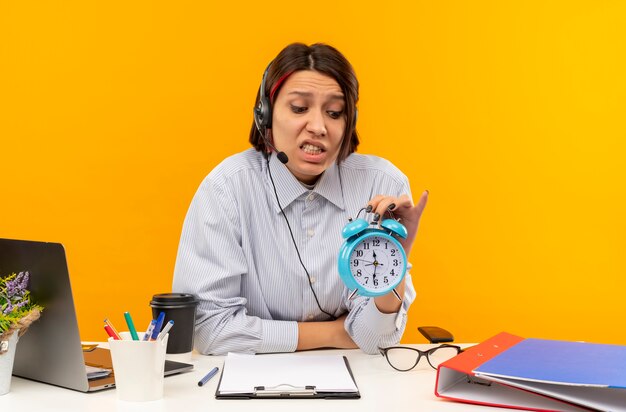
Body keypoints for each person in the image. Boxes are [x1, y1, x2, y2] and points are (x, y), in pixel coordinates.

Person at [172, 43, 428, 355]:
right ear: (264, 114)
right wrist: (335, 333)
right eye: (298, 108)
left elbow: (375, 340)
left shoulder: (382, 185)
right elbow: (209, 330)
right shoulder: (227, 189)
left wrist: (393, 265)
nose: (319, 127)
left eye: (335, 113)